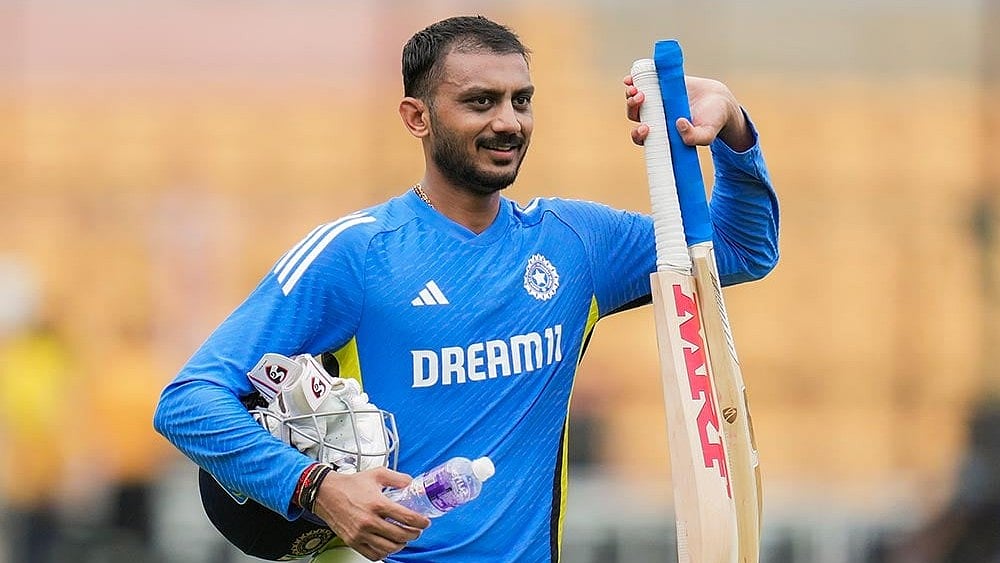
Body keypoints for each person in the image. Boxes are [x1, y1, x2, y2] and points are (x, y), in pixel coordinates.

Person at [153, 14, 779, 563]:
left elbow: (740, 251)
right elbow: (187, 402)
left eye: (521, 101)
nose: (508, 121)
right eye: (480, 102)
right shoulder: (356, 254)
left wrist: (733, 129)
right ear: (417, 117)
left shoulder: (575, 244)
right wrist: (317, 487)